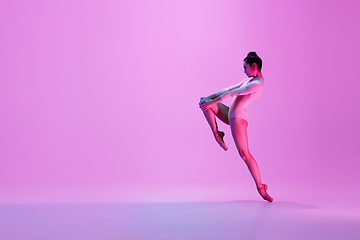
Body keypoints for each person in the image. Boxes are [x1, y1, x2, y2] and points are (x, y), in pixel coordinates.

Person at [199, 52, 273, 202]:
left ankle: (260, 187)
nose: (244, 70)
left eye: (245, 67)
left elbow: (233, 93)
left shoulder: (257, 84)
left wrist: (212, 102)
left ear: (254, 66)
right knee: (203, 102)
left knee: (244, 154)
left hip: (238, 119)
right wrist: (209, 98)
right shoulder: (248, 80)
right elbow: (227, 89)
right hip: (230, 114)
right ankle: (217, 134)